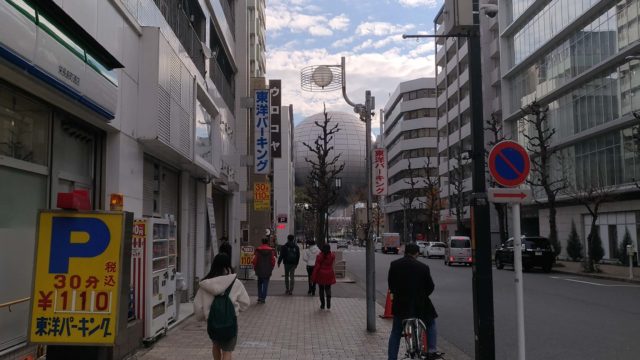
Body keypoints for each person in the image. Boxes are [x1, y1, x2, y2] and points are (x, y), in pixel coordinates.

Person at [387, 243, 440, 360]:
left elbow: (391, 285)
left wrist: (397, 295)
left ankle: (392, 358)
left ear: (405, 252)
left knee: (396, 332)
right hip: (420, 304)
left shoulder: (395, 265)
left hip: (401, 305)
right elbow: (430, 287)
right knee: (431, 323)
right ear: (417, 253)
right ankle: (432, 350)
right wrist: (422, 295)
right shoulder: (423, 267)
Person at [194, 253, 250, 360]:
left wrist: (204, 317)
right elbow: (245, 302)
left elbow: (198, 307)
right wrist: (235, 310)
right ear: (227, 265)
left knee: (216, 346)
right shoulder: (235, 282)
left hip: (212, 322)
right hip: (230, 322)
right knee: (227, 352)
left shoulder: (205, 284)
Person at [311, 244, 336, 310]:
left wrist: (313, 276)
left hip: (321, 274)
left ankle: (322, 304)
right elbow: (332, 261)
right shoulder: (332, 256)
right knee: (328, 288)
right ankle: (328, 303)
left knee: (321, 289)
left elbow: (316, 267)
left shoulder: (319, 256)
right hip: (329, 273)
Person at [251, 237, 276, 303]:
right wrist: (271, 268)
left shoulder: (258, 250)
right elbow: (273, 261)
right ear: (267, 242)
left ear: (262, 242)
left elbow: (254, 260)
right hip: (268, 270)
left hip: (259, 269)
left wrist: (255, 267)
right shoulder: (271, 250)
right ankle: (263, 298)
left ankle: (259, 297)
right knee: (265, 284)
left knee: (259, 284)